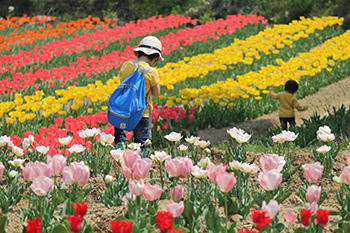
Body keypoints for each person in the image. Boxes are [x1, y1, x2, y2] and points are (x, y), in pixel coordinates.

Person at [114, 36, 163, 149]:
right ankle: (141, 160)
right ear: (155, 57)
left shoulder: (127, 65)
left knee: (120, 136)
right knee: (141, 142)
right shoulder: (152, 72)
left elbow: (122, 81)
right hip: (142, 112)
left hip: (123, 109)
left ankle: (119, 151)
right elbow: (156, 93)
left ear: (138, 53)